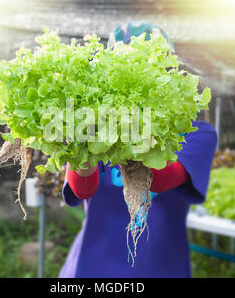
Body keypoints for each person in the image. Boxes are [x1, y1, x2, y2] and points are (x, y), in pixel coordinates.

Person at [59, 22, 218, 278]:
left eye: (154, 67)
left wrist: (129, 126)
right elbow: (83, 189)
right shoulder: (98, 125)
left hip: (160, 268)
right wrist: (82, 151)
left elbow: (160, 179)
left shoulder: (197, 133)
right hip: (92, 269)